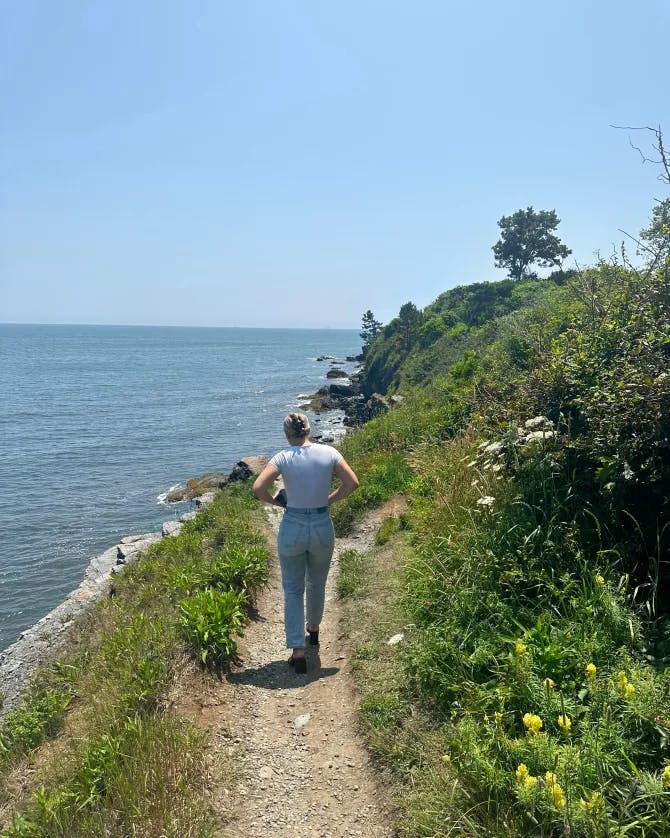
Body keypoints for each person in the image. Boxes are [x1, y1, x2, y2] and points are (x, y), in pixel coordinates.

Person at [252, 412, 359, 674]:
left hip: (293, 526)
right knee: (317, 582)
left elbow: (258, 488)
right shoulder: (329, 453)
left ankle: (298, 650)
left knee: (292, 588)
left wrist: (278, 502)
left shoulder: (283, 457)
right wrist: (329, 500)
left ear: (287, 434)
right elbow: (352, 483)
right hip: (322, 524)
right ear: (309, 429)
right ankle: (313, 629)